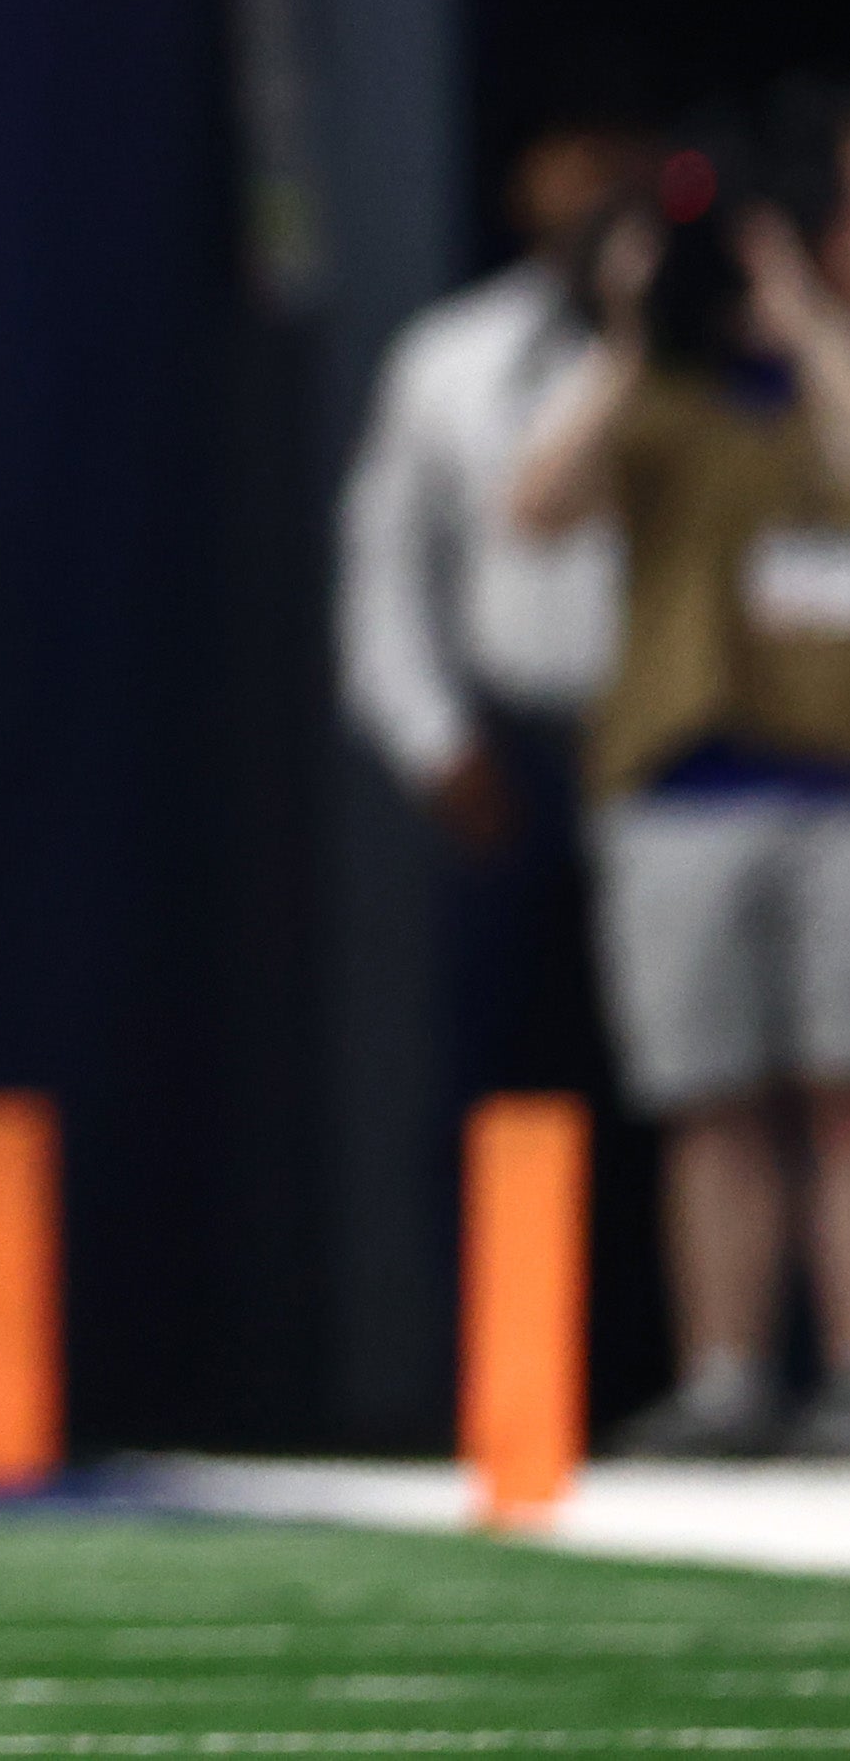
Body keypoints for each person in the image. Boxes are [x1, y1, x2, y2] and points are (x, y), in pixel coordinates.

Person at [502, 105, 850, 1459]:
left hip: (832, 780)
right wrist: (634, 334)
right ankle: (722, 1373)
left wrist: (804, 322)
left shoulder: (820, 373)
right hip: (680, 784)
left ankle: (840, 1380)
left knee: (840, 1093)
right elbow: (533, 506)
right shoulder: (655, 389)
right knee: (708, 1096)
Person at [340, 112, 646, 1228]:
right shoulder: (449, 356)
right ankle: (507, 1375)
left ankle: (734, 1377)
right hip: (514, 748)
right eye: (571, 162)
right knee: (506, 1065)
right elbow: (385, 572)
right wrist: (435, 743)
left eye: (618, 163)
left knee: (706, 1075)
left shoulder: (711, 351)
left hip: (677, 742)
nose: (593, 189)